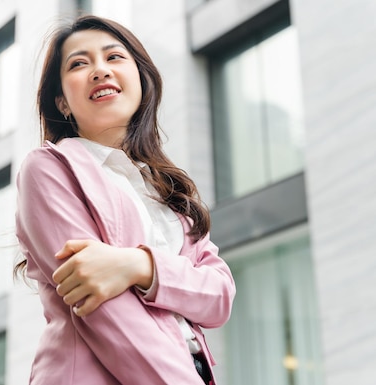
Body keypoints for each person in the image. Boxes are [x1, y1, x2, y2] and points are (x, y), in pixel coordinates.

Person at [14, 15, 236, 385]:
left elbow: (219, 295)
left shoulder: (169, 189)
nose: (99, 70)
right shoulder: (49, 169)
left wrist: (139, 266)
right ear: (62, 102)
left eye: (114, 57)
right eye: (79, 63)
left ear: (140, 81)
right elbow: (104, 309)